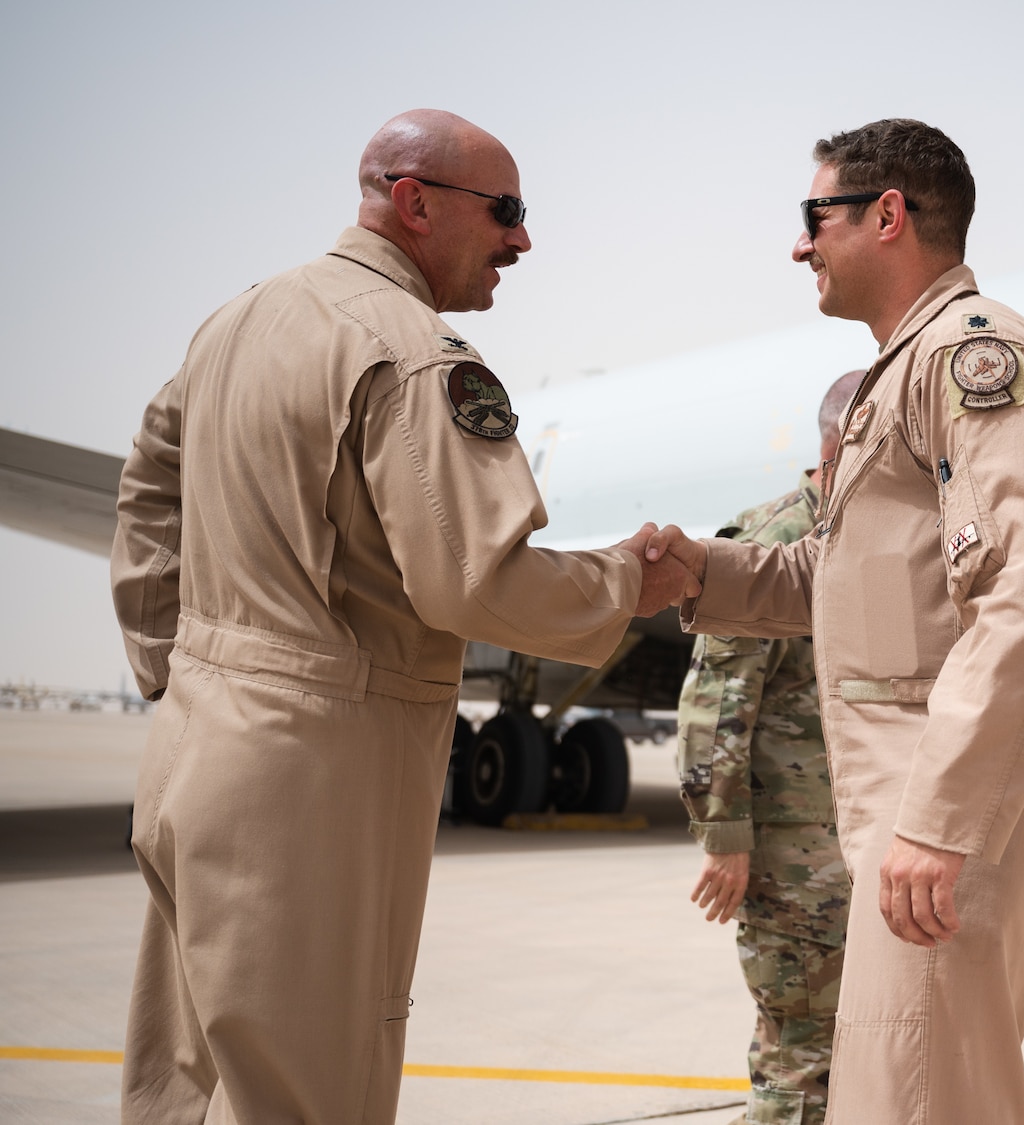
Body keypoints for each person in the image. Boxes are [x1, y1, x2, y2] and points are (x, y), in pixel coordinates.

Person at [108, 109, 690, 1124]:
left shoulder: (236, 322)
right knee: (310, 1093)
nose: (521, 239)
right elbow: (475, 584)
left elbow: (149, 486)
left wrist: (172, 661)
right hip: (310, 780)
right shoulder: (415, 352)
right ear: (414, 203)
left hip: (193, 754)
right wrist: (624, 586)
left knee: (182, 1089)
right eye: (504, 211)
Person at [644, 118, 1024, 1125]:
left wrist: (941, 820)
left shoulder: (973, 354)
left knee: (914, 1099)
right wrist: (699, 572)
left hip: (945, 800)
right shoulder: (904, 368)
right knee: (911, 1092)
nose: (798, 244)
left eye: (814, 216)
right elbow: (843, 582)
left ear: (886, 216)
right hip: (924, 794)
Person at [678, 369, 865, 1125]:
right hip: (794, 851)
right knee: (800, 1059)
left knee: (857, 1054)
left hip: (854, 840)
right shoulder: (780, 536)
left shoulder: (866, 538)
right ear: (844, 443)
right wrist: (724, 835)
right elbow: (719, 693)